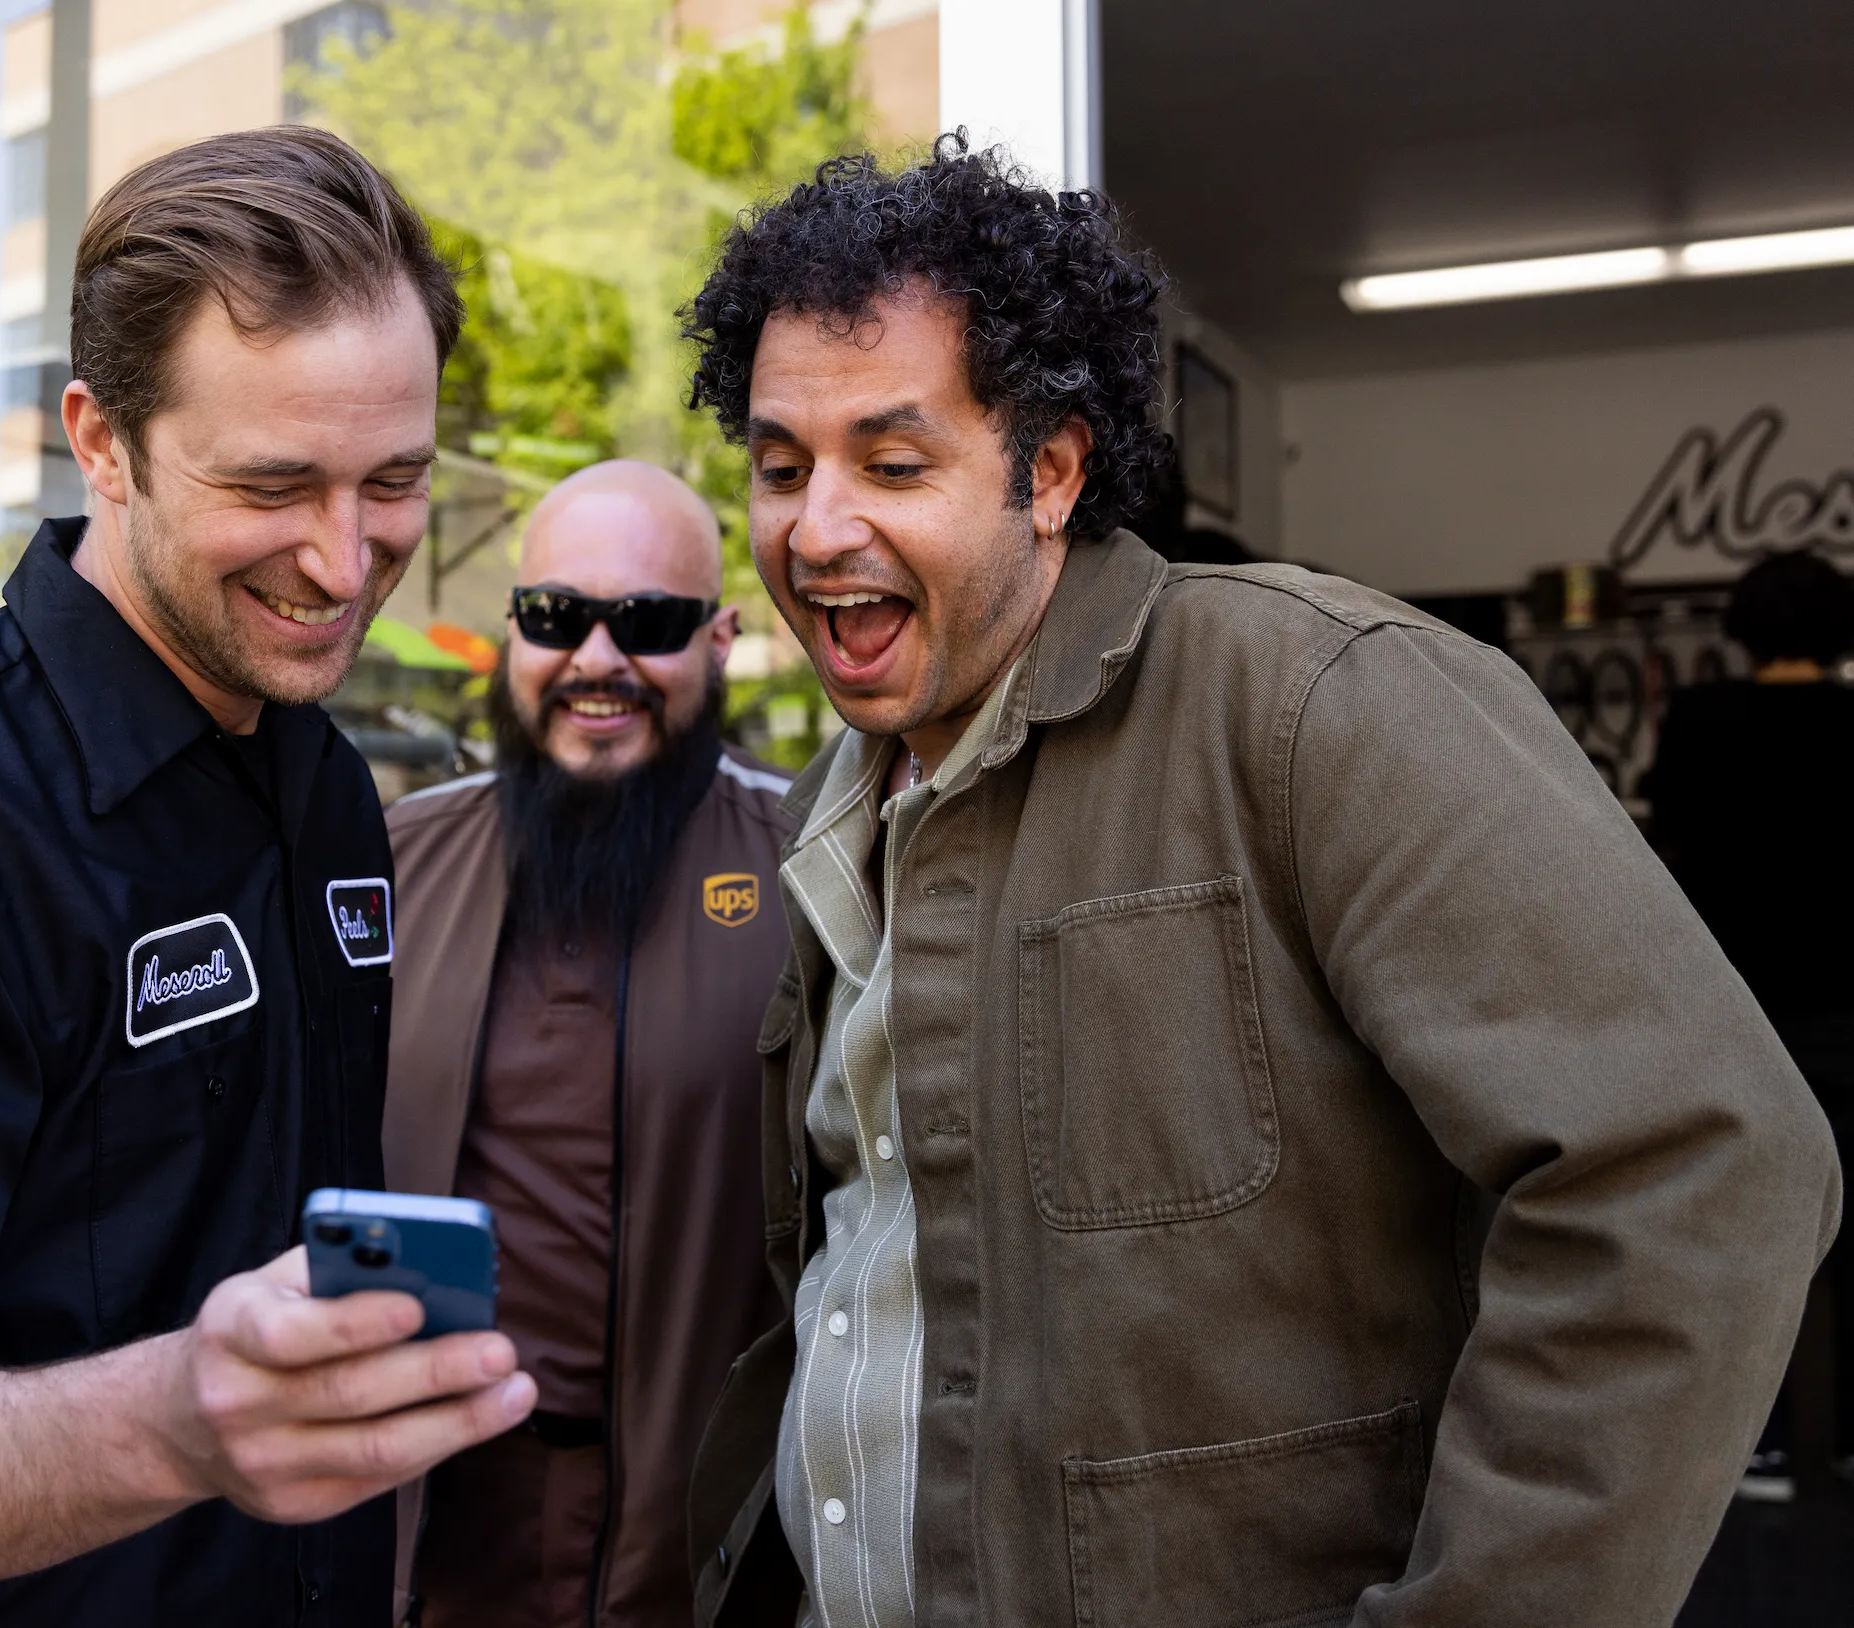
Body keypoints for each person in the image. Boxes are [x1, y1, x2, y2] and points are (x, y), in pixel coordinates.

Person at [677, 135, 1841, 1628]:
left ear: (1049, 470)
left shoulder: (1312, 700)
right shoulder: (836, 801)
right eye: (780, 468)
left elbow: (1700, 1162)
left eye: (891, 463)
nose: (813, 528)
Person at [0, 128, 537, 1627]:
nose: (344, 562)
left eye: (393, 480)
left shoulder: (320, 782)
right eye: (273, 483)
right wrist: (179, 1422)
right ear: (100, 441)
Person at [381, 461, 794, 1627]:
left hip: (707, 1540)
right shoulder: (390, 864)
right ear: (513, 634)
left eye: (648, 622)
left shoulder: (813, 866)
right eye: (557, 616)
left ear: (718, 641)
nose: (596, 661)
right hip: (433, 1528)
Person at [1648, 548, 1854, 1496]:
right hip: (1845, 999)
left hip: (1740, 1005)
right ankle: (1843, 1430)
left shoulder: (1702, 718)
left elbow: (1667, 856)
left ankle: (1758, 1436)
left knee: (1744, 1222)